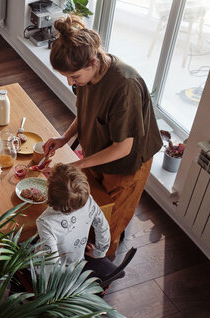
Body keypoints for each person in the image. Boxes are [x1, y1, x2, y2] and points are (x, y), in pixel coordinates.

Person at [43, 15, 162, 260]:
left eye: (74, 77)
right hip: (96, 154)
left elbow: (122, 148)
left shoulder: (125, 86)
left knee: (110, 223)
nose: (70, 82)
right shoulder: (87, 77)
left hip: (125, 165)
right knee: (91, 207)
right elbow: (86, 112)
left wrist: (75, 164)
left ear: (93, 62)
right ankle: (87, 248)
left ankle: (102, 270)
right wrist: (65, 138)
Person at [36, 163, 110, 267]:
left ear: (49, 192)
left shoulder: (45, 222)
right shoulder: (88, 200)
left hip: (57, 275)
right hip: (77, 263)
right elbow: (102, 226)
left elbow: (51, 263)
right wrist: (100, 252)